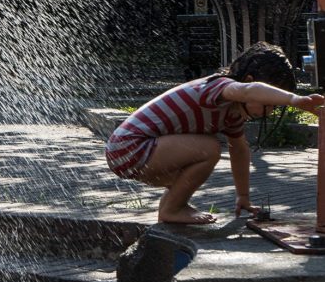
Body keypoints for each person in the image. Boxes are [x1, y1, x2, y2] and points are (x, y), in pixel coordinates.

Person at [106, 42, 324, 224]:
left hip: (137, 154)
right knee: (208, 149)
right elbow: (248, 91)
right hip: (129, 146)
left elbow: (239, 150)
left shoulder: (232, 114)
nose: (271, 110)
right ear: (249, 81)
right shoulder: (219, 87)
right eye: (270, 102)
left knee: (197, 160)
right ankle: (173, 209)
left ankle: (170, 209)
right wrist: (294, 100)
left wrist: (243, 197)